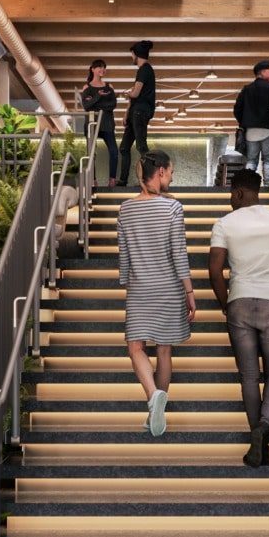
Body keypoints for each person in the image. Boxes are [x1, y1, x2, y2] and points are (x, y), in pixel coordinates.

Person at [208, 168, 269, 467]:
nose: (229, 201)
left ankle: (256, 439)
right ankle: (265, 426)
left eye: (230, 195)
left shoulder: (224, 224)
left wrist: (226, 302)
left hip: (239, 303)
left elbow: (214, 270)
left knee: (249, 376)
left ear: (237, 193)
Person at [117, 151, 192, 437]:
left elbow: (124, 255)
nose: (171, 177)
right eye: (170, 172)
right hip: (170, 287)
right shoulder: (173, 209)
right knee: (164, 348)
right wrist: (189, 291)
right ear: (160, 172)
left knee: (135, 347)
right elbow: (179, 254)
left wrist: (127, 282)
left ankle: (153, 400)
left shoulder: (125, 209)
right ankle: (157, 401)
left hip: (140, 288)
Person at [232, 61, 269, 183]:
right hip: (268, 130)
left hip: (251, 132)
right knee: (268, 161)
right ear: (263, 72)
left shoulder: (247, 89)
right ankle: (268, 186)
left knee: (251, 161)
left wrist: (244, 122)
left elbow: (237, 109)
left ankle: (249, 185)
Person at [117, 40, 157, 185]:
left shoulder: (144, 69)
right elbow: (135, 96)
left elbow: (135, 93)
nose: (131, 57)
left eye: (132, 55)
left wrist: (127, 92)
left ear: (136, 54)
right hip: (136, 112)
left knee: (141, 146)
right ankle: (122, 180)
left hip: (139, 112)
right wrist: (126, 113)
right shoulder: (145, 70)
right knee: (124, 147)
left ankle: (150, 179)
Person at [78, 59, 119, 189]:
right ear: (92, 69)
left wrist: (95, 102)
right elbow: (86, 105)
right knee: (91, 153)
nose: (102, 70)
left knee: (114, 151)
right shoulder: (87, 87)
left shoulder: (109, 86)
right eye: (99, 67)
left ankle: (112, 179)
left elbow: (112, 104)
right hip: (92, 123)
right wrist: (99, 96)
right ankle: (93, 180)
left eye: (104, 68)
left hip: (107, 123)